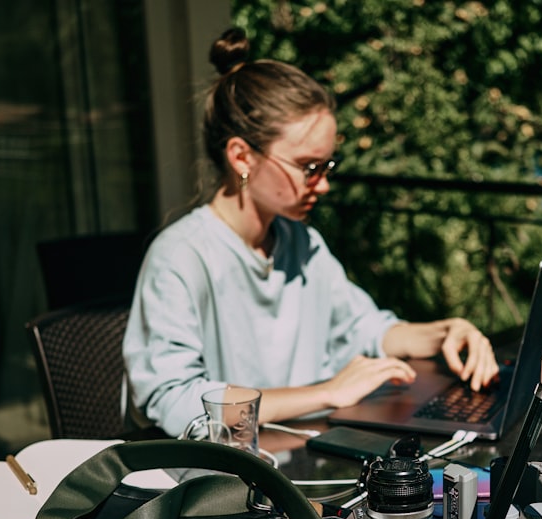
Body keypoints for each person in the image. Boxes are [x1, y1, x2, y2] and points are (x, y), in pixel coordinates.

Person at [123, 27, 499, 437]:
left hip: (301, 460)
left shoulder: (302, 243)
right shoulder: (181, 256)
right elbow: (174, 399)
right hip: (220, 480)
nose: (322, 185)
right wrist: (326, 393)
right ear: (241, 156)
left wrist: (447, 331)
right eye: (308, 167)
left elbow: (364, 329)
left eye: (326, 166)